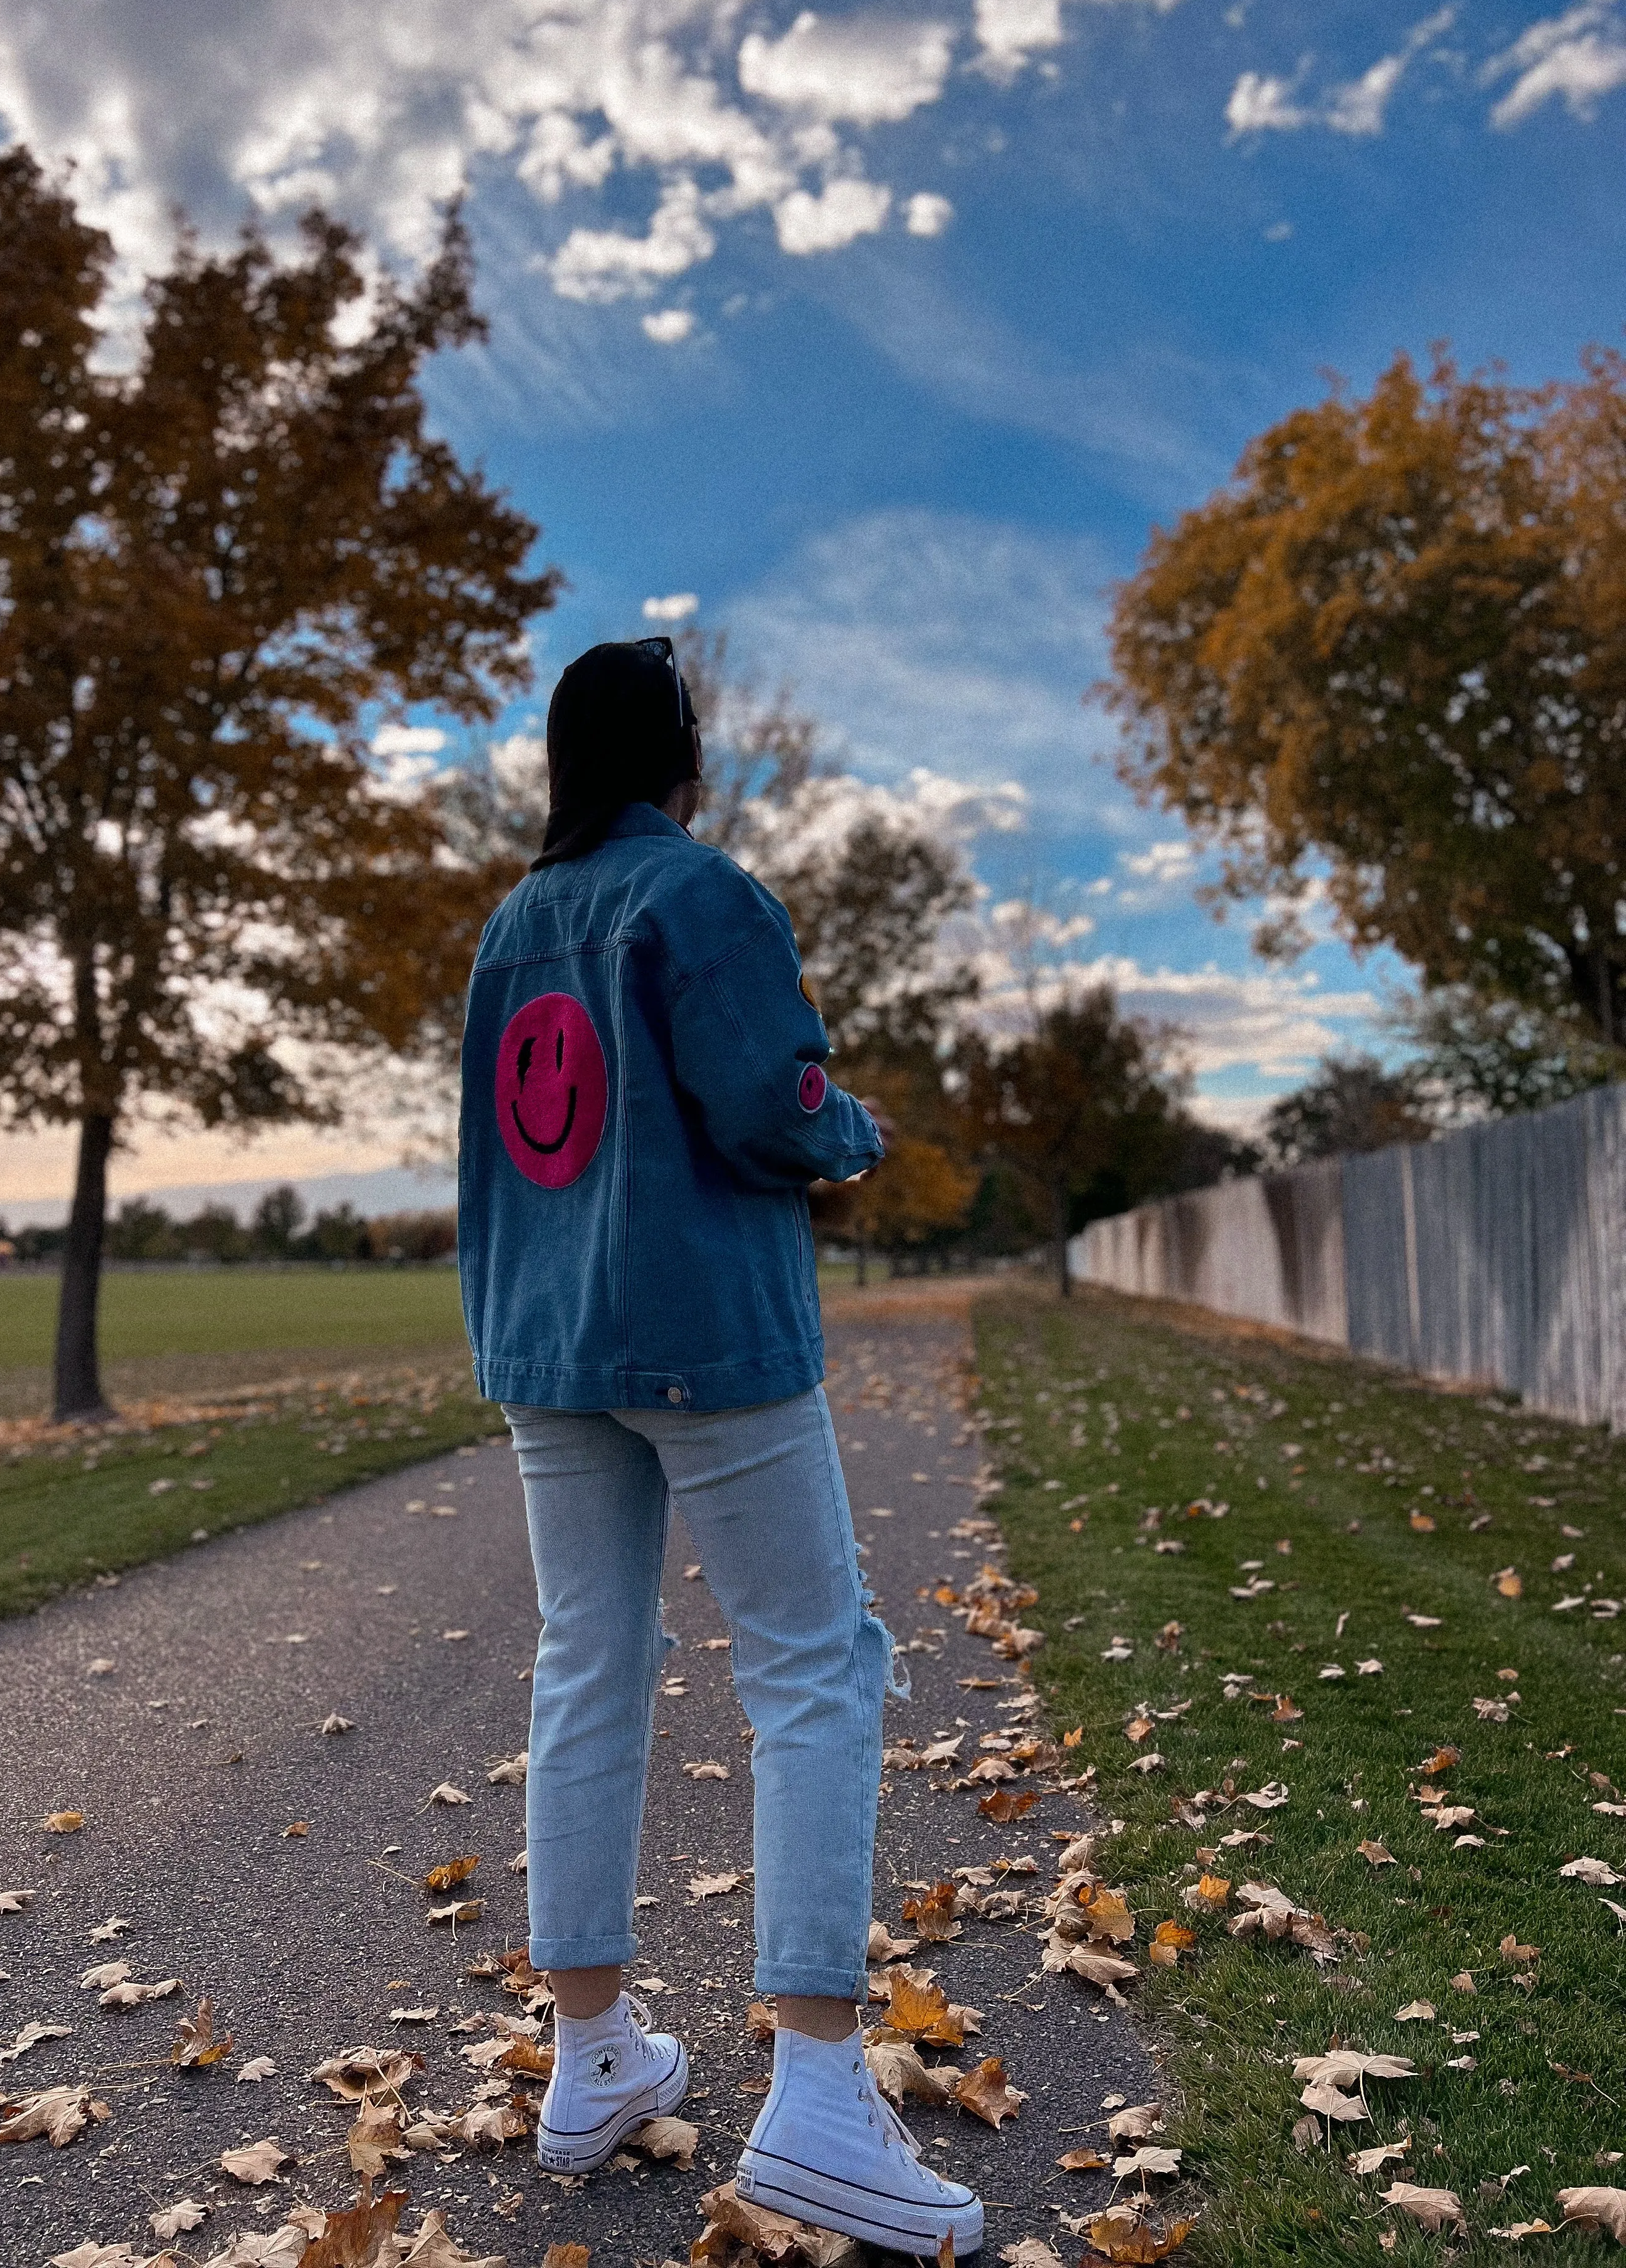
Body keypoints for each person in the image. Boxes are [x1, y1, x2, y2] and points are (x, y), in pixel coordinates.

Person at [457, 637, 985, 2256]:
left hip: (549, 1336)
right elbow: (772, 1094)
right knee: (819, 1662)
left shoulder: (514, 926)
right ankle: (819, 2092)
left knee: (589, 1663)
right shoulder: (703, 895)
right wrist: (856, 1132)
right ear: (683, 758)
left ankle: (594, 2055)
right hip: (702, 1325)